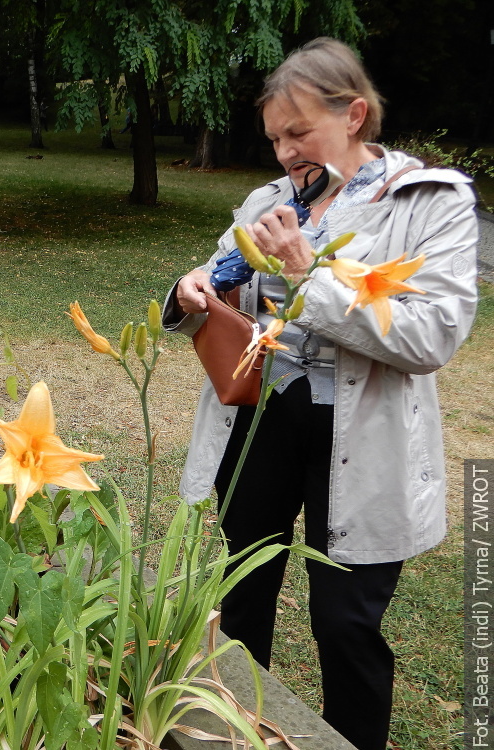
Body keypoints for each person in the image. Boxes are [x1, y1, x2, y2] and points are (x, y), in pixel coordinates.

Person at [162, 38, 478, 750]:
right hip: (261, 419)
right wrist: (191, 291)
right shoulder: (271, 198)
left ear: (355, 114)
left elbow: (431, 337)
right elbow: (219, 273)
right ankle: (232, 731)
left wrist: (310, 276)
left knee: (346, 622)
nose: (283, 152)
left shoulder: (430, 202)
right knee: (241, 592)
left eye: (298, 132)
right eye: (275, 136)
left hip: (361, 437)